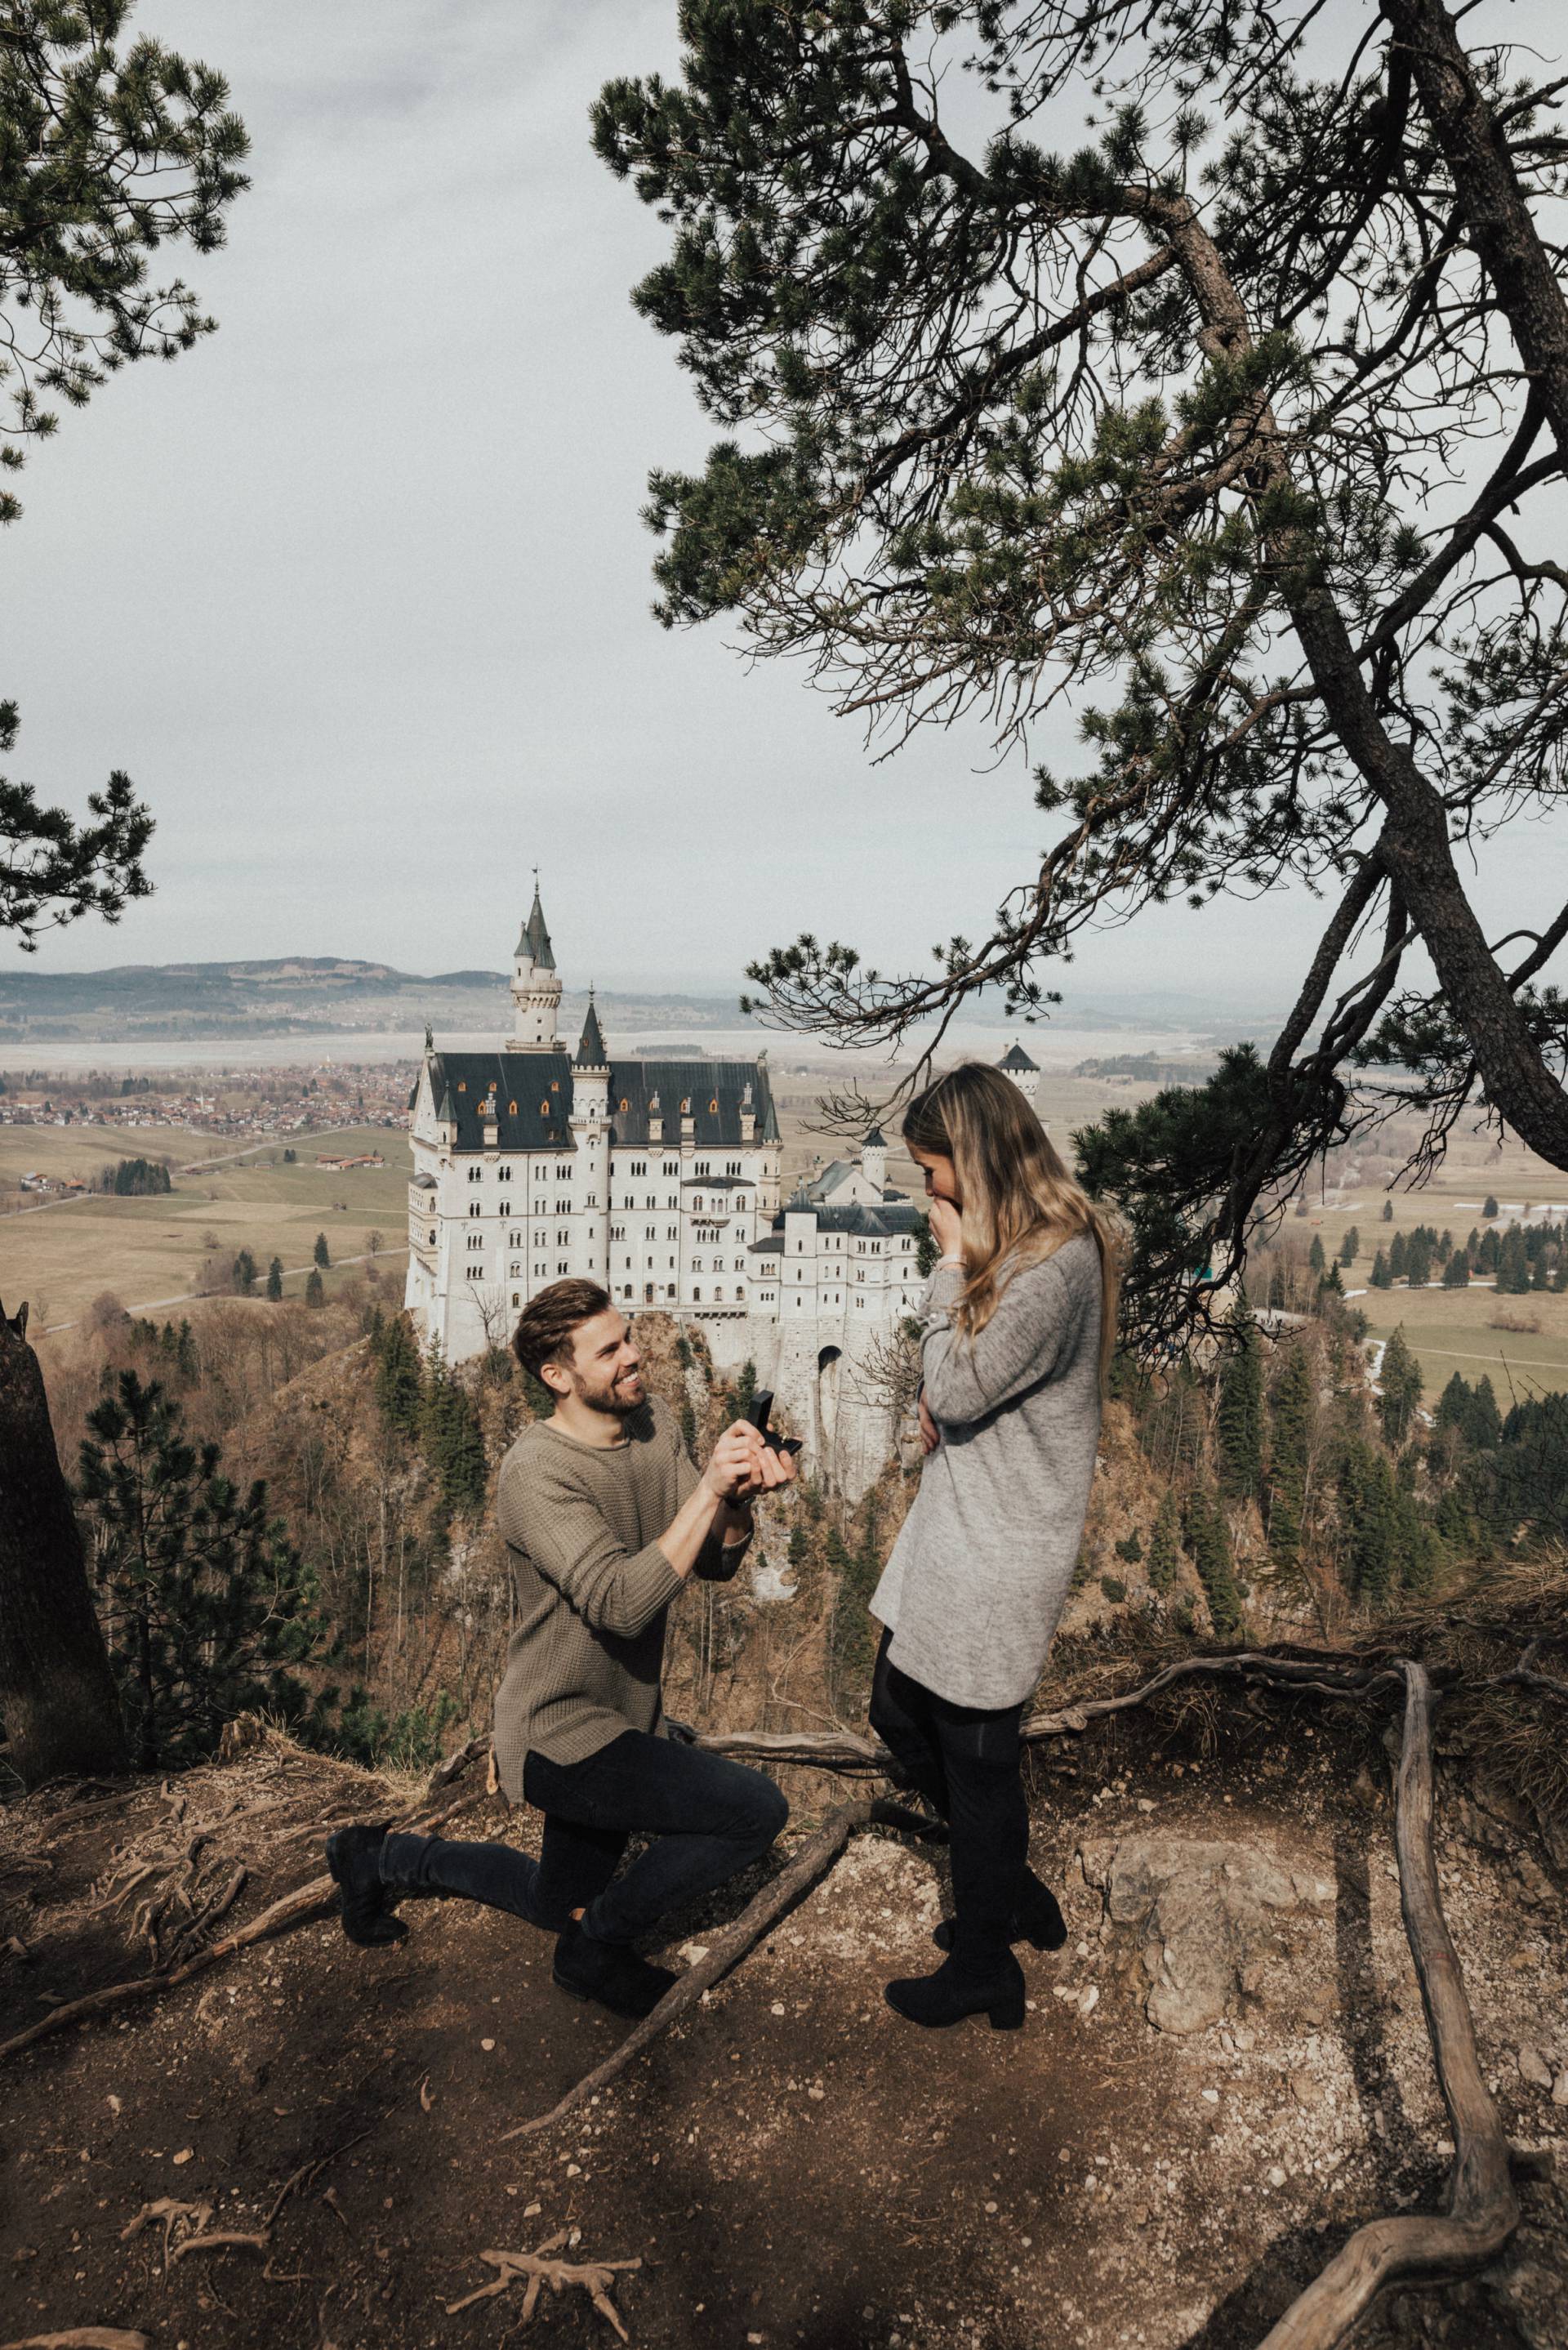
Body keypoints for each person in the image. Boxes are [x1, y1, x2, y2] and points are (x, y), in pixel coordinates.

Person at [326, 1280, 794, 2019]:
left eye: (629, 1336)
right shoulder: (535, 1473)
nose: (634, 1356)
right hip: (558, 1734)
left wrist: (735, 1497)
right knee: (754, 1812)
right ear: (558, 1375)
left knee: (555, 1898)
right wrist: (707, 1490)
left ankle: (376, 1858)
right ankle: (596, 1951)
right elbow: (622, 1602)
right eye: (610, 1350)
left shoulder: (652, 1421)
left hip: (623, 1718)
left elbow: (711, 1561)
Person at [869, 1064, 1120, 2031]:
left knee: (976, 1761)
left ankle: (985, 1965)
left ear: (975, 1164)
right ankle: (1006, 1888)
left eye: (935, 1174)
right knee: (896, 1707)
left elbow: (961, 1386)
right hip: (958, 1527)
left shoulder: (1054, 1265)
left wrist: (944, 1266)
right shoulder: (1025, 1250)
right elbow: (964, 1385)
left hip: (1003, 1546)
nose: (929, 1194)